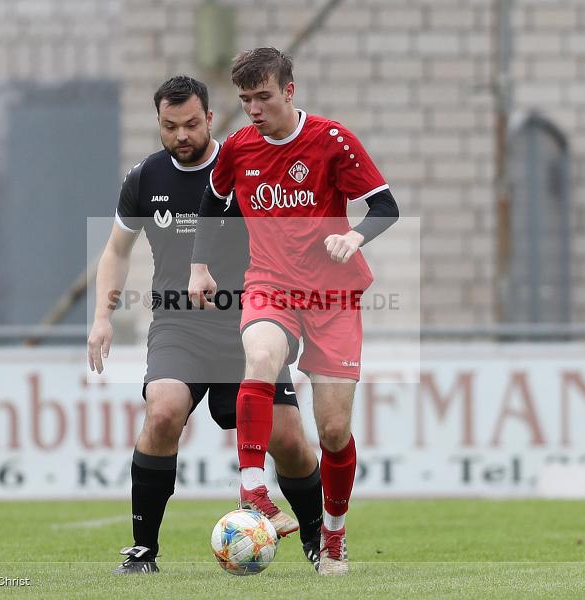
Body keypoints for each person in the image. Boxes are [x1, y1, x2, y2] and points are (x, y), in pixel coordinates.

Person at [87, 75, 324, 574]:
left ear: (210, 119)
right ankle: (143, 550)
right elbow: (116, 250)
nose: (182, 135)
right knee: (163, 411)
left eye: (192, 124)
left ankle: (315, 539)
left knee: (289, 442)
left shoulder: (245, 166)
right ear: (158, 123)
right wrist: (102, 316)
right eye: (170, 126)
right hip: (179, 326)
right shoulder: (145, 178)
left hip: (251, 323)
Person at [189, 48, 399, 575]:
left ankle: (333, 533)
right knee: (260, 357)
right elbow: (212, 203)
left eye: (263, 97)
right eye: (245, 99)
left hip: (332, 296)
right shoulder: (238, 147)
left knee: (332, 431)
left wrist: (355, 236)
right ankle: (254, 490)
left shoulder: (331, 140)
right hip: (270, 285)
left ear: (289, 90)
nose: (254, 109)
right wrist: (199, 266)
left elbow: (385, 206)